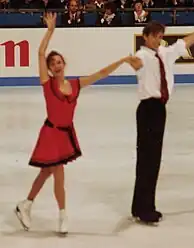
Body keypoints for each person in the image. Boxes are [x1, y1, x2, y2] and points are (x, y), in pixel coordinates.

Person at [15, 12, 140, 235]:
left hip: (65, 135)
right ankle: (63, 216)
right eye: (53, 63)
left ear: (64, 63)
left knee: (46, 173)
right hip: (51, 133)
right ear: (50, 69)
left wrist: (122, 60)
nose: (56, 64)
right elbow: (41, 52)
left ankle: (26, 204)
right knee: (58, 174)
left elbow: (101, 74)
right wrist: (50, 30)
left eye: (59, 61)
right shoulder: (47, 83)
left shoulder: (75, 84)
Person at [128, 13, 194, 224]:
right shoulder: (141, 56)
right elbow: (135, 64)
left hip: (159, 110)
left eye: (160, 36)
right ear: (145, 37)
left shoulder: (164, 53)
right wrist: (129, 61)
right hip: (148, 109)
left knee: (151, 159)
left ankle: (139, 205)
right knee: (147, 160)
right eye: (155, 36)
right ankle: (145, 208)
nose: (158, 39)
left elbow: (185, 42)